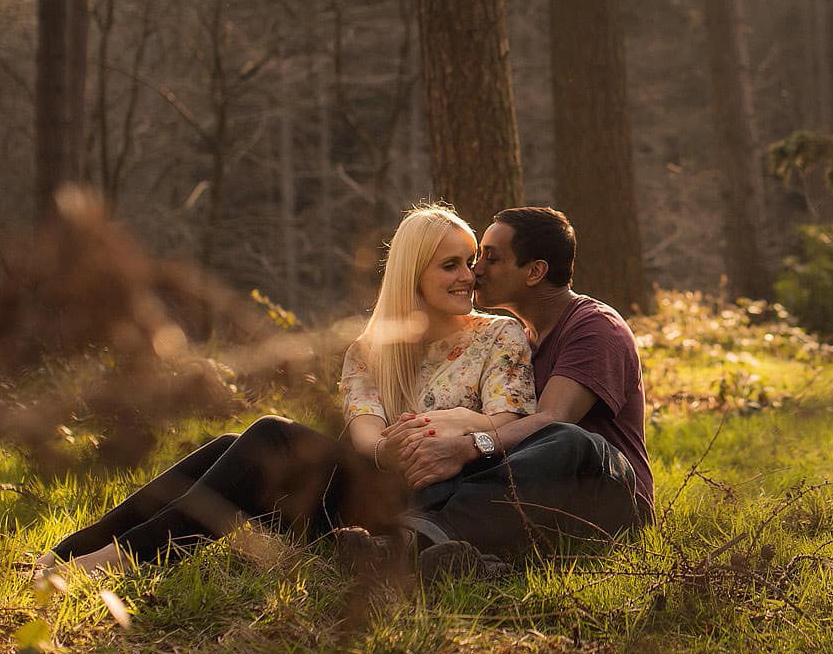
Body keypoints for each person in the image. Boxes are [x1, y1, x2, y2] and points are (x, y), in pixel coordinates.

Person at [34, 205, 534, 578]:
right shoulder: (371, 350)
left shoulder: (498, 336)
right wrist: (388, 445)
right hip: (367, 489)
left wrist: (455, 428)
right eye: (450, 265)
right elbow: (364, 433)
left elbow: (511, 423)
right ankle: (64, 554)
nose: (469, 277)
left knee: (271, 434)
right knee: (231, 445)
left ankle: (120, 561)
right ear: (413, 273)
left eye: (470, 262)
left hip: (429, 511)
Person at [383, 206, 651, 558]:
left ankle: (425, 535)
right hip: (544, 498)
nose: (475, 270)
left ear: (535, 271)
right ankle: (449, 552)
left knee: (568, 440)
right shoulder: (517, 341)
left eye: (490, 258)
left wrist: (468, 445)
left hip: (609, 496)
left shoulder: (595, 327)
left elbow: (552, 420)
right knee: (454, 460)